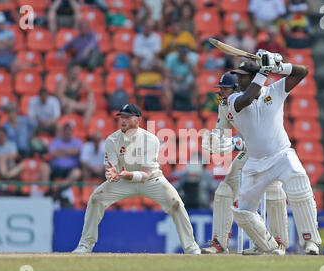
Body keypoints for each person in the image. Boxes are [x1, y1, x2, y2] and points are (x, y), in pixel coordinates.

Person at [223, 54, 321, 255]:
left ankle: (310, 241)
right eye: (238, 76)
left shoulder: (274, 91)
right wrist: (264, 72)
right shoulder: (233, 99)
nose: (238, 81)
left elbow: (303, 71)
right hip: (255, 162)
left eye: (242, 77)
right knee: (243, 212)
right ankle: (265, 246)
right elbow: (247, 99)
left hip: (281, 156)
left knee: (300, 184)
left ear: (251, 77)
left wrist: (279, 66)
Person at [72, 103, 201, 254]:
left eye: (127, 117)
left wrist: (128, 174)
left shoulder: (150, 140)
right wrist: (111, 174)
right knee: (96, 198)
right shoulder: (112, 140)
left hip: (151, 180)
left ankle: (191, 247)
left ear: (138, 120)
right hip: (123, 180)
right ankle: (85, 245)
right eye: (122, 117)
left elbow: (145, 174)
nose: (123, 121)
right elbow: (111, 168)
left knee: (176, 203)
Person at [200, 72, 289, 255]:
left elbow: (262, 135)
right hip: (248, 153)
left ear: (237, 89)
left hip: (268, 152)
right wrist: (215, 141)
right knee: (225, 190)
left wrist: (238, 142)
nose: (222, 94)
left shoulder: (252, 101)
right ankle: (219, 243)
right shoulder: (225, 106)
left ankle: (278, 243)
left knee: (273, 191)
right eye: (221, 90)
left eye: (225, 89)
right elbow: (222, 132)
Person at [163, 45, 199, 113]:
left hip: (186, 83)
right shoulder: (171, 57)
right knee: (166, 82)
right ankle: (169, 109)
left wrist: (189, 63)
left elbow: (196, 74)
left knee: (196, 83)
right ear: (178, 52)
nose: (183, 54)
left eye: (184, 53)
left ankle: (194, 107)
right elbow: (166, 74)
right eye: (181, 52)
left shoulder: (191, 59)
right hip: (174, 82)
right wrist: (175, 78)